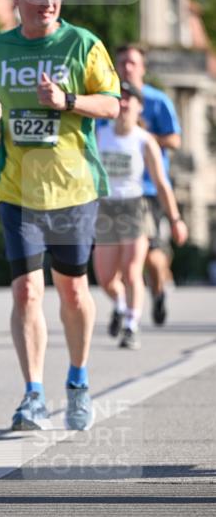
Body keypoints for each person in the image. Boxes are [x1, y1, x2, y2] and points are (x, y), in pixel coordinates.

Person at [0, 0, 119, 432]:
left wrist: (69, 102)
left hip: (74, 188)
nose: (49, 3)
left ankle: (78, 381)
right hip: (17, 189)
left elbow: (113, 103)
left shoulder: (82, 44)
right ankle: (33, 393)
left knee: (74, 291)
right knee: (26, 290)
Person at [93, 81, 187, 350]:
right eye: (119, 99)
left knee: (132, 271)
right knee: (107, 279)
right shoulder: (100, 134)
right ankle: (121, 307)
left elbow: (161, 183)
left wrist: (176, 219)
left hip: (135, 206)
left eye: (128, 99)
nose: (123, 104)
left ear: (139, 107)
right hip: (106, 207)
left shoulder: (145, 141)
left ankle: (132, 326)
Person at [115, 44, 182, 327]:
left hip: (149, 189)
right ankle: (122, 308)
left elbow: (175, 140)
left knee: (152, 258)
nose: (127, 68)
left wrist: (143, 133)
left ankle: (157, 290)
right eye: (122, 63)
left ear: (142, 67)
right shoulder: (111, 100)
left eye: (132, 62)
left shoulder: (157, 100)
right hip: (115, 190)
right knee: (116, 257)